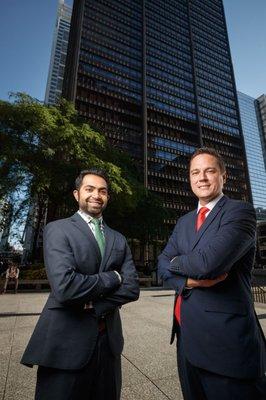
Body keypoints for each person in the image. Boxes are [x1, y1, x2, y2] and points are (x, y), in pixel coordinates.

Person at [21, 168, 140, 400]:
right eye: (90, 189)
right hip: (66, 342)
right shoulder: (58, 229)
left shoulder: (119, 238)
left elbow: (132, 288)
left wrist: (95, 305)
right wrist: (113, 278)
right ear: (77, 194)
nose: (96, 195)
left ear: (107, 197)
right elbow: (65, 286)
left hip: (109, 345)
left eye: (102, 191)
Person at [158, 148, 266, 400]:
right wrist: (186, 279)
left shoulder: (240, 212)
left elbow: (209, 264)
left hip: (226, 344)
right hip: (187, 340)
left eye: (209, 171)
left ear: (223, 176)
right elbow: (160, 266)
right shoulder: (184, 221)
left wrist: (174, 261)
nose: (202, 178)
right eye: (195, 172)